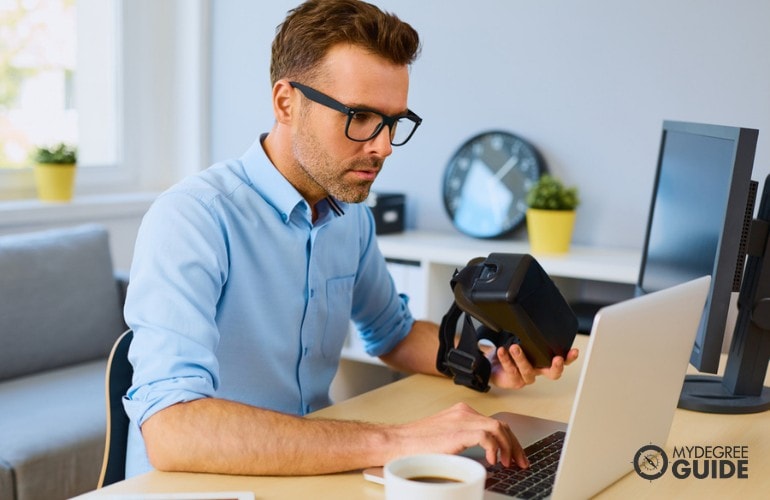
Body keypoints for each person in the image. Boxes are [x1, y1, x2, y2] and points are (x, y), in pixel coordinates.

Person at [123, 0, 579, 478]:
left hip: (312, 468)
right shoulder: (193, 218)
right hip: (204, 480)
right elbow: (172, 428)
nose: (382, 146)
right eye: (359, 116)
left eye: (393, 121)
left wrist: (483, 362)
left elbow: (394, 336)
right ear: (286, 102)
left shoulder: (349, 216)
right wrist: (398, 440)